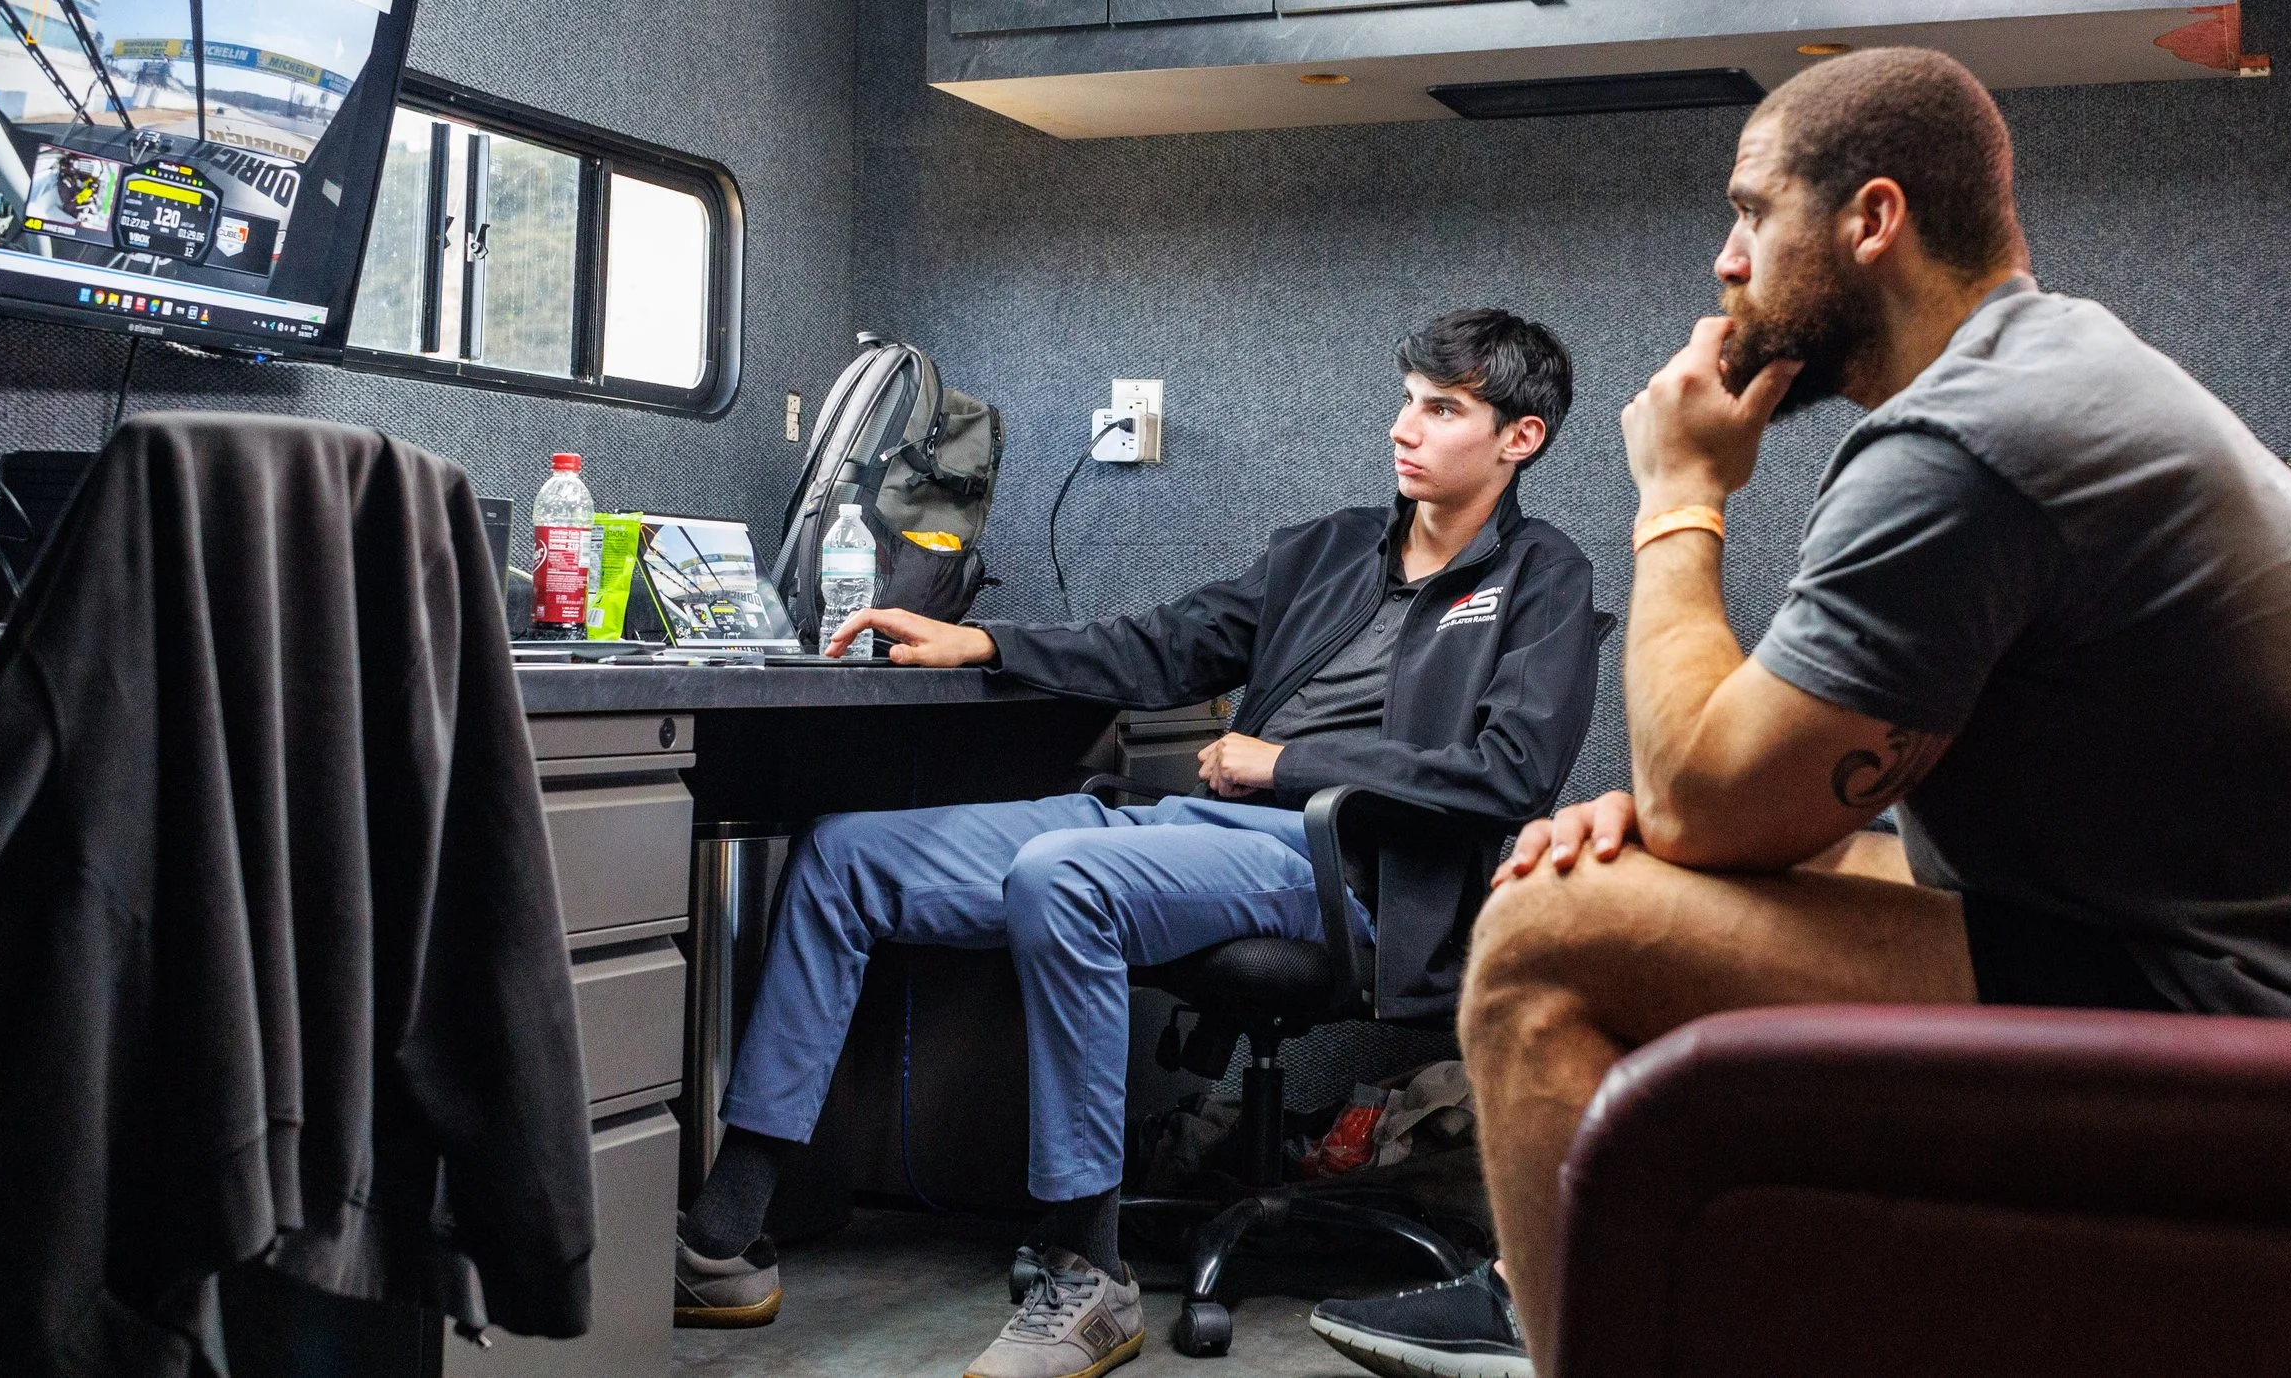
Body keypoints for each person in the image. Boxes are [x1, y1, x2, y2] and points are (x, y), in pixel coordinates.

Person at [1313, 47, 2291, 1378]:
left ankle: (1552, 1328)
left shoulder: (1964, 445)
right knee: (1633, 868)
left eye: (1752, 212)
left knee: (1545, 935)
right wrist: (1678, 829)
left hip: (2225, 1021)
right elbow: (1763, 805)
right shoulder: (2052, 366)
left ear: (1871, 218)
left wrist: (1678, 493)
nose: (1727, 260)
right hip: (2131, 946)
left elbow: (1703, 796)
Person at [674, 309, 1603, 1378]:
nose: (1406, 426)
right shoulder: (1330, 547)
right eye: (1406, 397)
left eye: (1442, 408)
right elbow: (1165, 644)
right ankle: (726, 1233)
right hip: (1186, 833)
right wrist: (983, 638)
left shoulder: (1543, 580)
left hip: (1338, 865)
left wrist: (1283, 765)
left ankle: (1090, 1269)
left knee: (1059, 877)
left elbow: (1507, 773)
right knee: (849, 855)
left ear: (1517, 438)